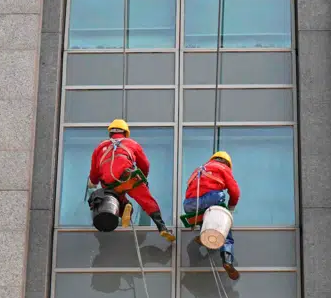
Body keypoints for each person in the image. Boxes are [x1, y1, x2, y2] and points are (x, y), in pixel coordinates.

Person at [87, 119, 175, 242]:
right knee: (146, 200)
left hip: (110, 182)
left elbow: (95, 172)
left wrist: (93, 182)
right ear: (126, 132)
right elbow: (145, 164)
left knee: (115, 198)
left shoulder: (100, 147)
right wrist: (142, 178)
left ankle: (126, 206)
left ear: (110, 133)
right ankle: (162, 227)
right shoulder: (132, 143)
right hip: (128, 176)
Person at [183, 150, 240, 280]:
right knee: (224, 227)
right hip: (211, 199)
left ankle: (204, 234)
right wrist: (230, 209)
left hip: (189, 206)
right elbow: (235, 191)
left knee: (208, 217)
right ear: (227, 163)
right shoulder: (223, 168)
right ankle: (227, 259)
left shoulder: (198, 169)